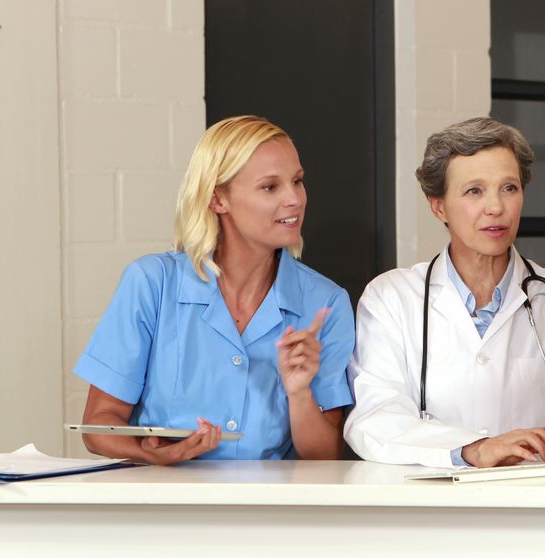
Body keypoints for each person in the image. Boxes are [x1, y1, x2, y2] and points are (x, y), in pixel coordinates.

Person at [344, 117, 545, 468]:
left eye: (509, 188)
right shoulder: (392, 299)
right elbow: (373, 421)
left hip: (540, 511)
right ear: (438, 206)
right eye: (474, 191)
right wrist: (474, 449)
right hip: (433, 512)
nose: (495, 207)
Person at [74, 115, 354, 465]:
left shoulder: (326, 303)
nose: (294, 199)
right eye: (270, 187)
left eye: (297, 181)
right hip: (163, 505)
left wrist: (299, 393)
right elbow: (98, 427)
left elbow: (324, 457)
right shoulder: (151, 284)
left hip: (269, 512)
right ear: (218, 198)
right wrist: (152, 454)